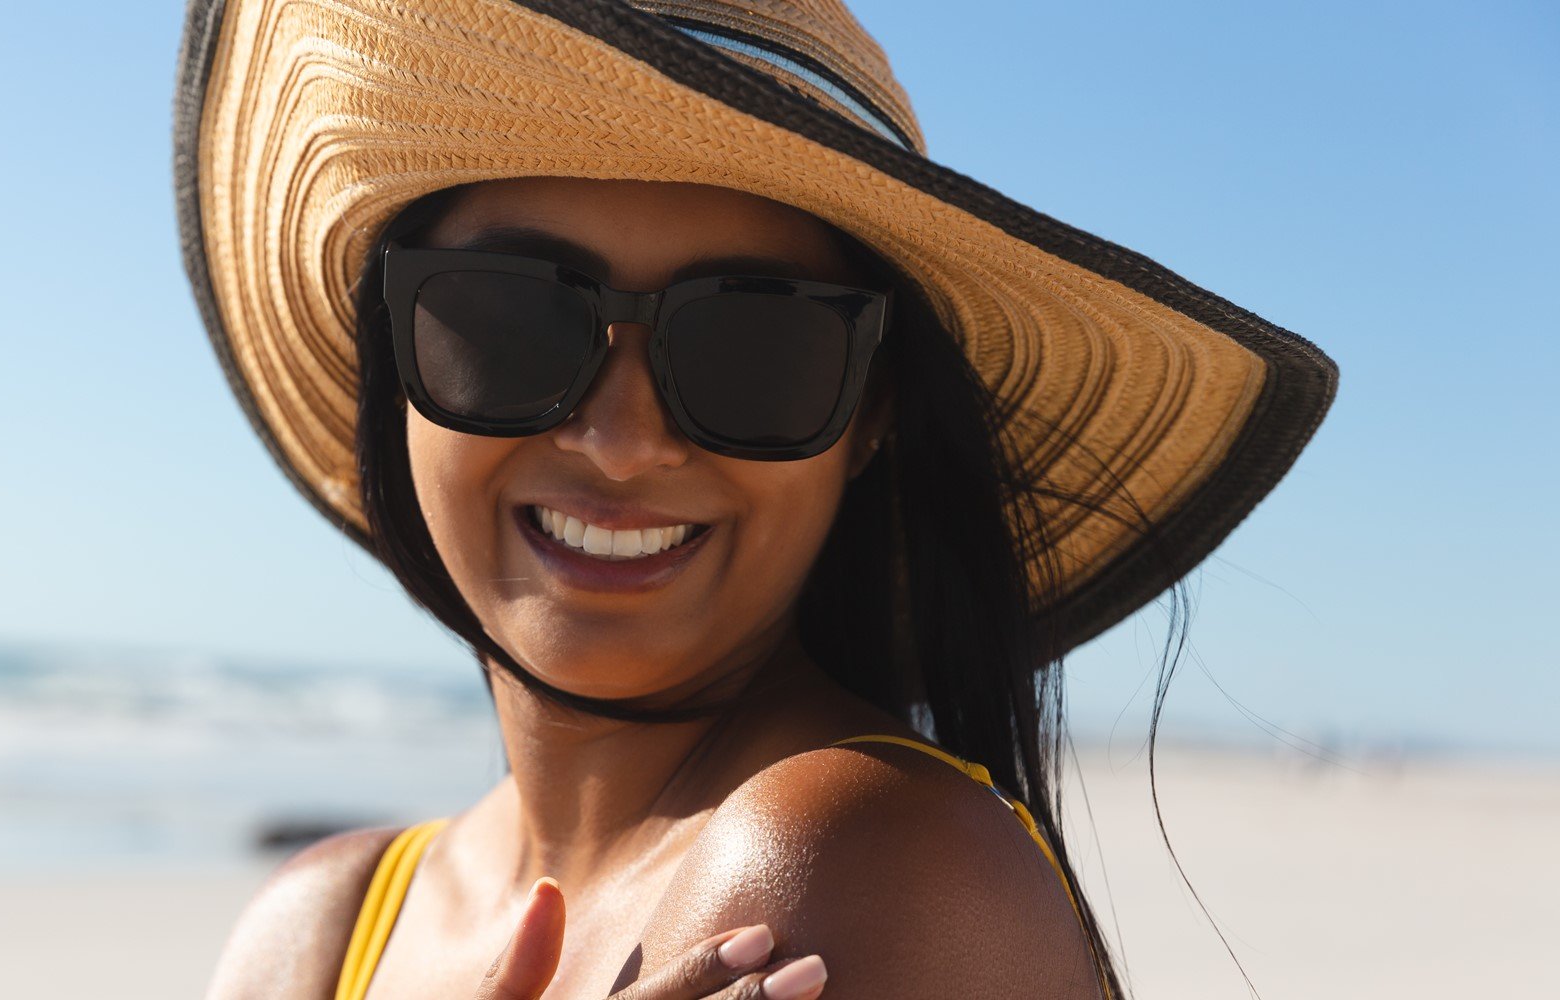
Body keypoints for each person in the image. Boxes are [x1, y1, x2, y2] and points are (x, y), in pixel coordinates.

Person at [172, 2, 1337, 998]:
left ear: (871, 413)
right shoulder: (317, 926)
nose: (622, 442)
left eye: (756, 350)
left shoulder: (848, 856)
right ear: (395, 357)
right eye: (507, 322)